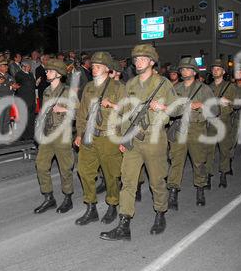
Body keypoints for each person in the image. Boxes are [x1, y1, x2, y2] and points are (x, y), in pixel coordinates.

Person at [100, 44, 177, 241]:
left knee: (157, 181)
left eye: (143, 58)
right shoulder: (130, 84)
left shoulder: (163, 83)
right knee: (127, 182)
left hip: (154, 139)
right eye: (136, 59)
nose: (138, 61)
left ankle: (160, 213)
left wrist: (164, 107)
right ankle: (124, 225)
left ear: (152, 62)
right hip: (132, 139)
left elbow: (178, 110)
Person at [74, 52, 125, 226]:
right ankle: (91, 207)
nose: (93, 69)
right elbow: (81, 113)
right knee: (84, 171)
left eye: (98, 66)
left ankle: (112, 205)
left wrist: (112, 105)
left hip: (109, 138)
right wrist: (79, 134)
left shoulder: (118, 87)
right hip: (89, 136)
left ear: (107, 68)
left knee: (111, 175)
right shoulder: (88, 87)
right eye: (93, 66)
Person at [167, 57, 217, 210]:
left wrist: (202, 105)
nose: (184, 71)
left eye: (188, 69)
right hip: (179, 127)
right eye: (182, 69)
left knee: (198, 161)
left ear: (194, 72)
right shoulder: (175, 89)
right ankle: (173, 192)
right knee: (176, 161)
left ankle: (200, 189)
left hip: (196, 128)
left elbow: (215, 111)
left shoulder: (204, 89)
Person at [33, 59, 77, 214]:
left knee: (65, 168)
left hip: (62, 134)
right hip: (47, 134)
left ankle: (68, 197)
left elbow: (79, 112)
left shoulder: (67, 92)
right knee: (41, 165)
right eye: (46, 71)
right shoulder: (46, 91)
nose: (47, 73)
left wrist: (64, 110)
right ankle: (48, 197)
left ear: (58, 74)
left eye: (50, 71)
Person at [206, 59, 235, 188]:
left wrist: (228, 101)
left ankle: (223, 173)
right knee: (208, 151)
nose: (215, 71)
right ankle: (208, 176)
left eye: (218, 69)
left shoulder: (230, 86)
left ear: (223, 71)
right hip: (211, 123)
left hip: (224, 122)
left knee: (224, 150)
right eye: (213, 69)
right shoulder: (207, 87)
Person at [0, 59, 19, 139]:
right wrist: (10, 86)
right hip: (0, 99)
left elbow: (13, 85)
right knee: (0, 119)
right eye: (4, 65)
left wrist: (14, 88)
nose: (7, 67)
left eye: (7, 65)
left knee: (7, 118)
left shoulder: (10, 76)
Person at [14, 59, 37, 141]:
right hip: (24, 99)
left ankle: (31, 134)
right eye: (28, 67)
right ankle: (23, 136)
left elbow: (33, 85)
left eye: (30, 67)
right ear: (23, 67)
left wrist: (36, 82)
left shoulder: (30, 74)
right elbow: (22, 83)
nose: (29, 68)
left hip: (31, 99)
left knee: (31, 118)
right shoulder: (19, 74)